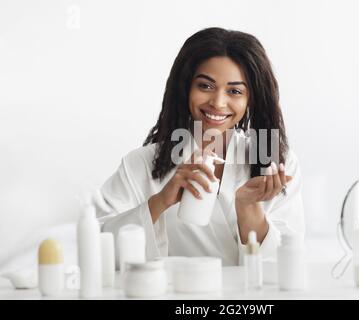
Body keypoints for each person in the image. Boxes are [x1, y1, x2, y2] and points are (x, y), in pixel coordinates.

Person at [96, 27, 304, 266]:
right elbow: (96, 243)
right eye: (205, 86)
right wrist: (160, 201)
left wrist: (248, 209)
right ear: (185, 87)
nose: (218, 102)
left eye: (235, 91)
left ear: (251, 99)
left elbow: (288, 263)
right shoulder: (141, 163)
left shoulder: (276, 162)